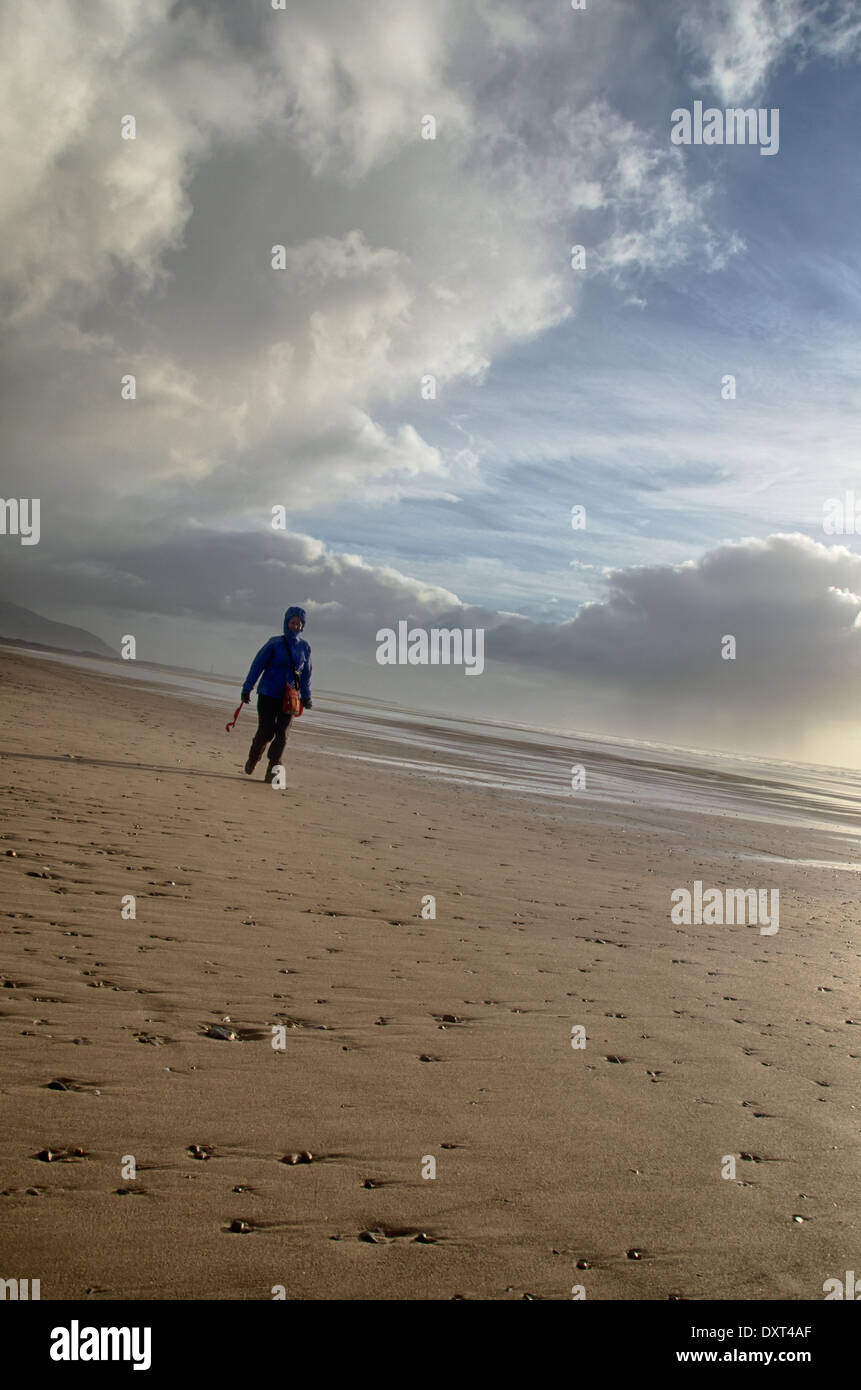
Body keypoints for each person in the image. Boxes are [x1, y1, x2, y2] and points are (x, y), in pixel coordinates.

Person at [240, 606, 312, 782]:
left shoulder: (305, 647)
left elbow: (307, 674)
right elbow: (257, 665)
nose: (295, 626)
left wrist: (307, 696)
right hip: (268, 694)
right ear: (286, 623)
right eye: (292, 622)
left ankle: (273, 769)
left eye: (298, 623)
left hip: (290, 699)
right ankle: (254, 757)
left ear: (302, 626)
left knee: (282, 735)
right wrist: (247, 688)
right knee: (266, 732)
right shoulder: (274, 643)